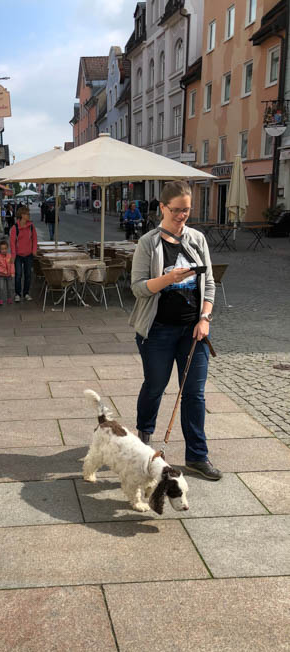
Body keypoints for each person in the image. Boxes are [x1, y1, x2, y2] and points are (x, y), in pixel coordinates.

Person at [129, 180, 221, 481]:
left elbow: (209, 283)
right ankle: (143, 447)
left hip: (193, 331)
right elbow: (138, 288)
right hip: (157, 330)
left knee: (194, 393)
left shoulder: (197, 239)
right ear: (163, 208)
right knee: (155, 386)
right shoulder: (148, 243)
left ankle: (197, 456)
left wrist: (205, 318)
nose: (182, 215)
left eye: (187, 210)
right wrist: (169, 278)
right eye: (177, 210)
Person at [10, 205, 38, 302]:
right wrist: (13, 255)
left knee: (28, 275)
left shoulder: (31, 226)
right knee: (18, 275)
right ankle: (17, 294)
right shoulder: (15, 228)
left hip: (29, 255)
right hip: (18, 255)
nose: (29, 215)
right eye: (27, 214)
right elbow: (12, 243)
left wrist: (34, 250)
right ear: (22, 215)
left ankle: (26, 293)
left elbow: (34, 239)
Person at [0, 239, 15, 306]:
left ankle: (9, 298)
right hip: (1, 275)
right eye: (2, 249)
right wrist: (3, 271)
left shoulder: (9, 256)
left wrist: (12, 272)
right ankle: (0, 299)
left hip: (9, 275)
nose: (4, 250)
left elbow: (12, 264)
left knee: (9, 288)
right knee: (1, 288)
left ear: (7, 248)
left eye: (5, 248)